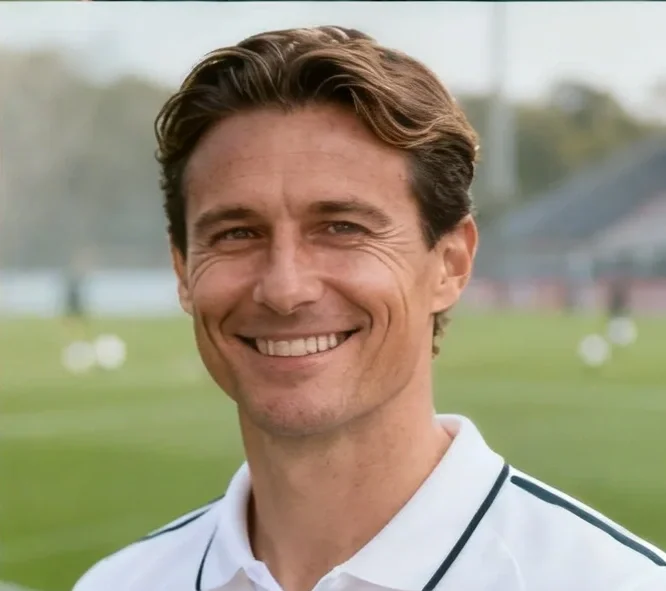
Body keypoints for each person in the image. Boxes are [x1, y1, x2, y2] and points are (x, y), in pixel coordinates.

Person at [73, 26, 665, 591]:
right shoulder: (116, 584)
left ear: (451, 263)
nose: (285, 289)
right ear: (182, 269)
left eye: (341, 227)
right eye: (236, 233)